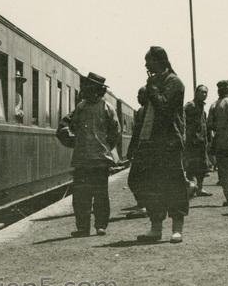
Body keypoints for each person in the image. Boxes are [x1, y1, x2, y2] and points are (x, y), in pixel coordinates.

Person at [133, 46, 189, 244]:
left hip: (169, 141)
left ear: (160, 61)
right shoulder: (155, 82)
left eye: (149, 61)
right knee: (151, 185)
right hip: (152, 142)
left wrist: (153, 90)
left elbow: (164, 108)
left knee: (174, 185)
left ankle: (177, 229)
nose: (146, 65)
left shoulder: (174, 82)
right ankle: (155, 228)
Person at [63, 72, 120, 237]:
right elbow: (72, 125)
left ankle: (100, 225)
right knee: (81, 196)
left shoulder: (107, 107)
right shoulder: (82, 107)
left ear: (97, 89)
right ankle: (83, 227)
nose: (85, 89)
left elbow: (115, 132)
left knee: (99, 194)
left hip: (98, 159)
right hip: (84, 159)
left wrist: (104, 147)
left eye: (89, 86)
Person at [184, 85, 213, 197]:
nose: (204, 94)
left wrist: (207, 139)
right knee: (191, 166)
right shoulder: (190, 106)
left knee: (202, 167)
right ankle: (191, 187)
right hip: (192, 142)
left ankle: (199, 188)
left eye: (206, 92)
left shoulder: (202, 109)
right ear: (196, 93)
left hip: (201, 142)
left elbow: (204, 126)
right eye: (202, 92)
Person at [126, 86, 149, 218]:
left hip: (142, 151)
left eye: (140, 95)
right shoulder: (149, 110)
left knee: (133, 180)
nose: (138, 97)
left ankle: (143, 206)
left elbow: (136, 134)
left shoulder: (142, 111)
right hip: (148, 151)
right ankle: (145, 206)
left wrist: (131, 151)